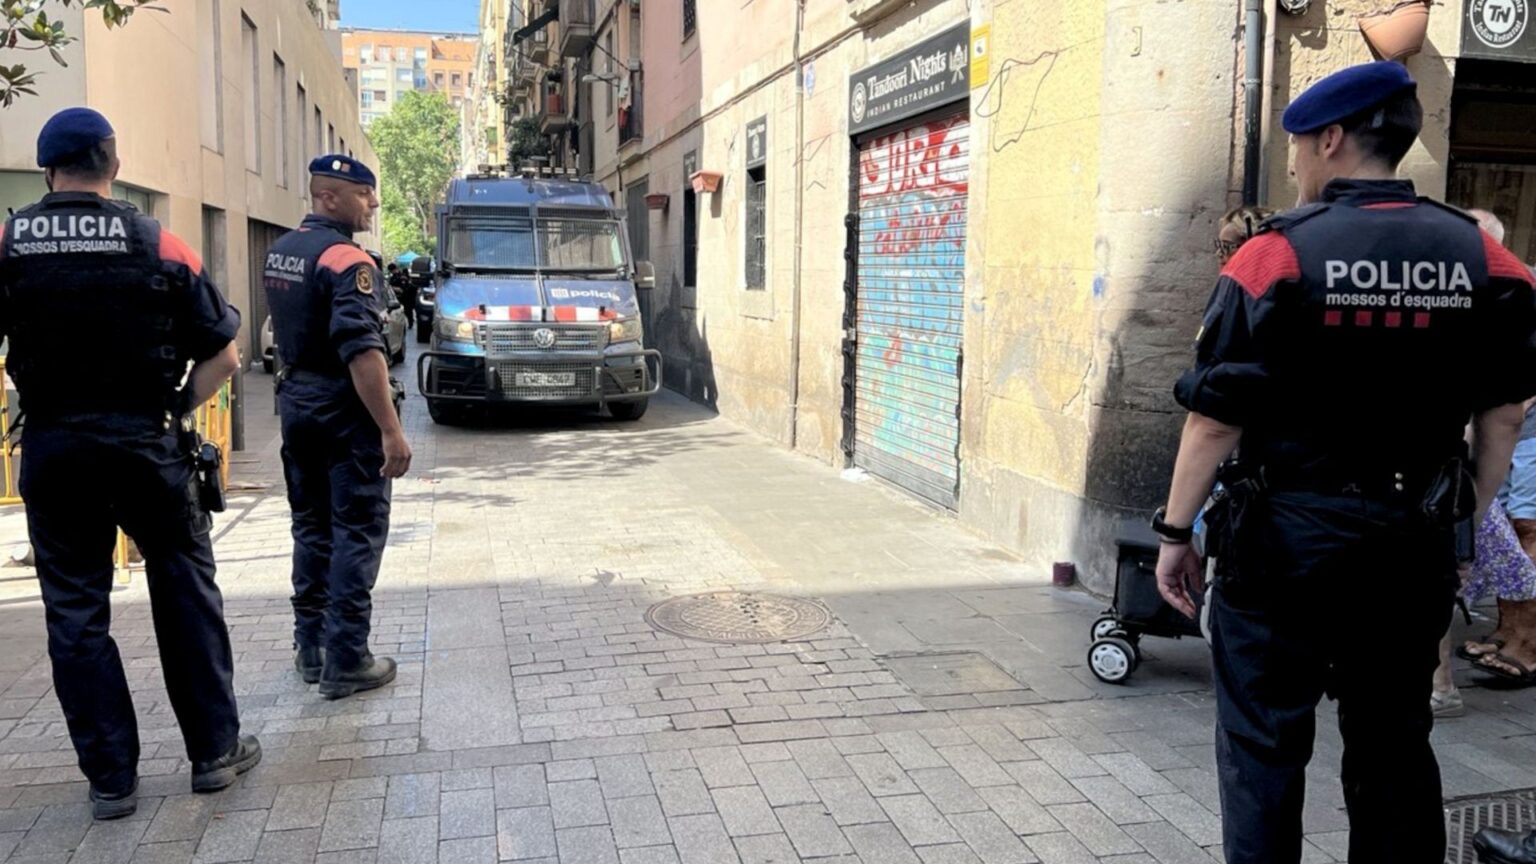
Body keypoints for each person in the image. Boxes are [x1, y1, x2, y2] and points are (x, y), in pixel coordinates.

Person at [1152, 63, 1536, 863]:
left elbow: (1215, 419)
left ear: (1330, 138)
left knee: (1263, 748)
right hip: (1407, 541)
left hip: (1283, 544)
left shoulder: (1275, 257)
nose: (1294, 164)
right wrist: (1461, 520)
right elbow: (1504, 409)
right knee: (1394, 745)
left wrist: (1174, 532)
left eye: (1298, 146)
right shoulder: (1485, 258)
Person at [0, 108, 261, 819]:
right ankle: (214, 753)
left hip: (55, 450)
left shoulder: (8, 243)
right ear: (113, 166)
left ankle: (111, 780)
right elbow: (225, 354)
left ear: (47, 168)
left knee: (76, 612)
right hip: (147, 447)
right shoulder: (160, 242)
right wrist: (176, 409)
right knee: (184, 592)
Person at [264, 154, 410, 700]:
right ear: (330, 197)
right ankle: (347, 658)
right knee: (356, 529)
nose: (372, 203)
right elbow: (362, 350)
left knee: (311, 527)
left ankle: (311, 647)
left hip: (296, 401)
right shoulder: (348, 260)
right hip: (341, 411)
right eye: (363, 194)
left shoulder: (281, 251)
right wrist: (391, 430)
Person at [1455, 209, 1536, 687]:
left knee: (1527, 528)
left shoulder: (1522, 289)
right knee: (1502, 528)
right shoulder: (1472, 290)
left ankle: (1528, 643)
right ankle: (1508, 630)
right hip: (1500, 431)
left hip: (1528, 434)